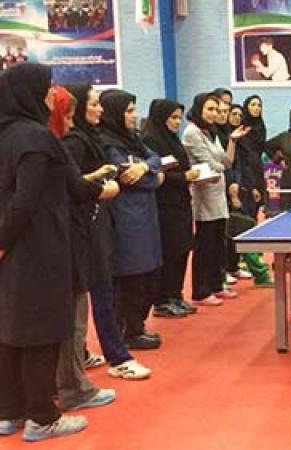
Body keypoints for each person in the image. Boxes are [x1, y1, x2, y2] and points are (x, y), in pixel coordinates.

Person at [0, 63, 88, 442]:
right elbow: (25, 202)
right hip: (37, 249)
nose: (53, 94)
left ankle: (9, 412)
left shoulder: (5, 134)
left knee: (11, 328)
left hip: (15, 248)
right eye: (48, 87)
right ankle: (42, 417)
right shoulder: (36, 137)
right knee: (41, 330)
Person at [62, 84, 152, 380]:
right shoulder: (75, 142)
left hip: (97, 224)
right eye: (94, 104)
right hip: (83, 229)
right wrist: (102, 187)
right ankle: (117, 357)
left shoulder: (92, 138)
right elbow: (69, 186)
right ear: (76, 109)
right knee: (98, 294)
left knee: (100, 292)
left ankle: (89, 355)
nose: (99, 109)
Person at [48, 86, 118, 412]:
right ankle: (73, 388)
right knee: (72, 320)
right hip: (61, 243)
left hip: (49, 244)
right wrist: (100, 185)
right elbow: (71, 188)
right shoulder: (57, 144)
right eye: (70, 112)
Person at [99, 89, 165, 349]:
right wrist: (150, 174)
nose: (133, 115)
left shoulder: (134, 138)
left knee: (149, 273)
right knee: (130, 278)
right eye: (128, 111)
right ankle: (127, 331)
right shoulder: (107, 142)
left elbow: (154, 158)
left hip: (146, 217)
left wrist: (146, 167)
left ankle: (137, 325)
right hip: (125, 220)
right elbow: (127, 176)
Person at [184, 93, 244, 305]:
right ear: (199, 109)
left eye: (217, 110)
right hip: (202, 195)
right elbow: (211, 164)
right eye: (210, 109)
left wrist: (233, 141)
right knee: (205, 244)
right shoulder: (191, 133)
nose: (214, 114)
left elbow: (226, 162)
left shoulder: (211, 133)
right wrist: (219, 166)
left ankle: (217, 285)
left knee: (218, 243)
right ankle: (200, 291)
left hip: (218, 193)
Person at [142, 99, 200, 318]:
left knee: (183, 249)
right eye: (173, 118)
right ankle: (162, 300)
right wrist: (183, 177)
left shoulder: (173, 140)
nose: (177, 122)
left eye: (179, 118)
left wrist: (192, 174)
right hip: (164, 205)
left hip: (181, 202)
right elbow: (157, 174)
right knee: (170, 251)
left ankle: (176, 294)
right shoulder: (150, 140)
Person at [226, 95, 273, 287]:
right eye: (233, 114)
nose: (237, 117)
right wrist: (237, 189)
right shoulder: (231, 138)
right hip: (234, 187)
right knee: (243, 227)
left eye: (239, 114)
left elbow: (247, 163)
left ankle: (236, 265)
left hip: (250, 181)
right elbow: (233, 165)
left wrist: (253, 185)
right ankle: (260, 274)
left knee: (248, 223)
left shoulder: (255, 132)